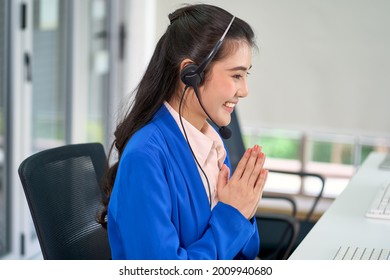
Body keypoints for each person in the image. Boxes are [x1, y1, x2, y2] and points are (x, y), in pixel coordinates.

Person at [98, 3, 268, 260]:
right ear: (190, 74)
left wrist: (244, 205)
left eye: (246, 76)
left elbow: (247, 251)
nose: (244, 90)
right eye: (236, 76)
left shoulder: (212, 145)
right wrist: (233, 216)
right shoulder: (146, 156)